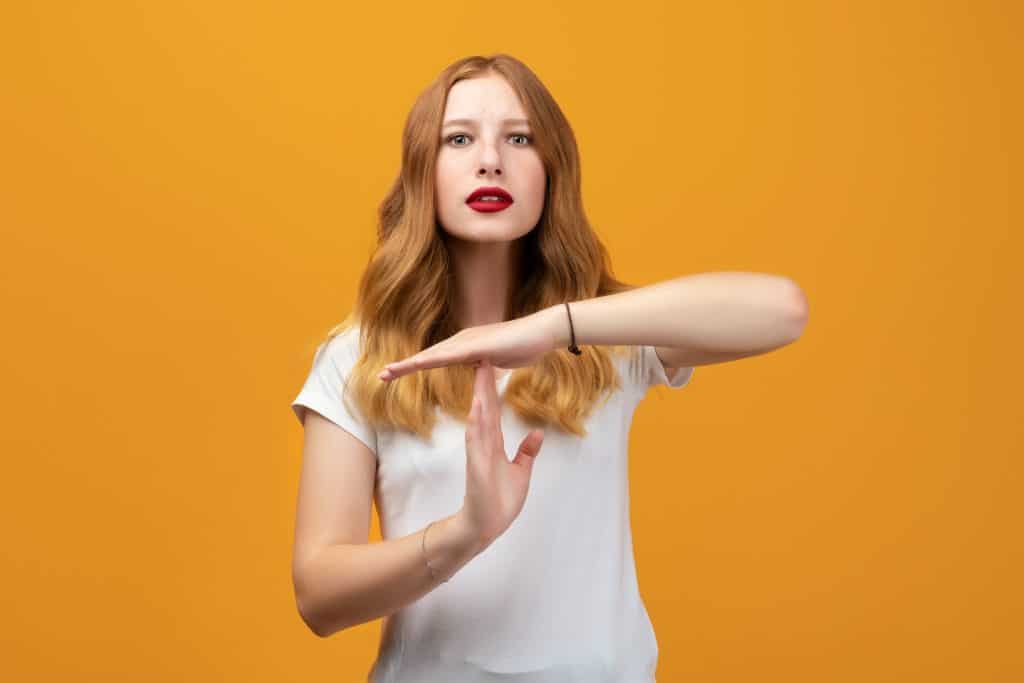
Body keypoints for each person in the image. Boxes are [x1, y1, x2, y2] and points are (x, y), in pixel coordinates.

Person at [290, 54, 697, 682]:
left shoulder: (605, 335)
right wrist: (466, 532)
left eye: (519, 138)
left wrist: (554, 325)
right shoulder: (360, 356)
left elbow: (782, 311)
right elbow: (318, 595)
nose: (491, 160)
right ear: (421, 172)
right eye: (459, 138)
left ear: (552, 171)